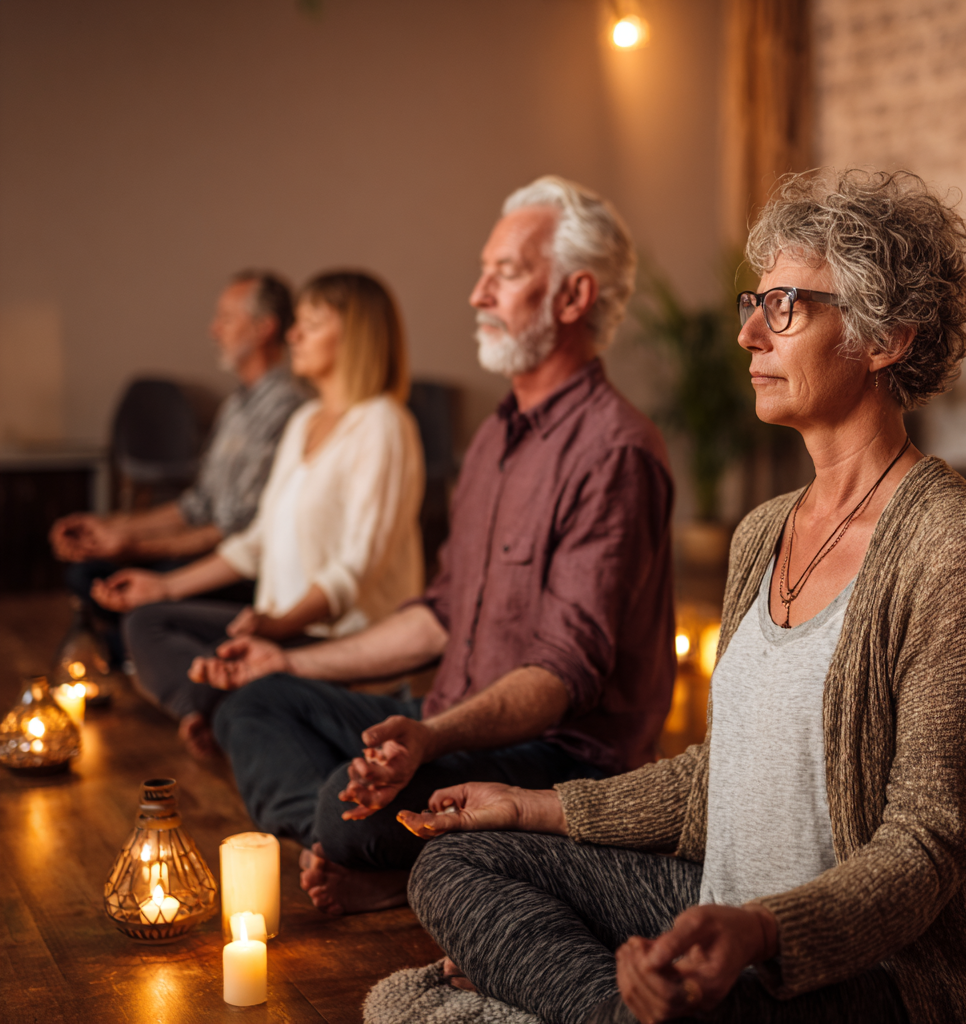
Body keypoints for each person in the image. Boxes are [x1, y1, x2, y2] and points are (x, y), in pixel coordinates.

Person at [397, 170, 966, 1024]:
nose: (750, 336)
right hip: (722, 912)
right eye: (752, 305)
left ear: (888, 336)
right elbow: (715, 776)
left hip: (875, 973)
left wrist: (762, 930)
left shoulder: (958, 546)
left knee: (710, 995)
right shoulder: (762, 531)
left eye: (788, 307)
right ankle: (633, 1009)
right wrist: (530, 807)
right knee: (457, 866)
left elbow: (929, 843)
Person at [188, 175, 676, 916]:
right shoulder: (493, 438)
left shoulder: (615, 452)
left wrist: (429, 737)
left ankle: (368, 850)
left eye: (505, 274)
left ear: (573, 299)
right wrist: (287, 657)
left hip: (558, 757)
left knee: (343, 804)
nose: (478, 294)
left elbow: (560, 679)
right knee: (254, 703)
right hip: (446, 715)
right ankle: (361, 848)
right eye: (484, 272)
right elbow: (440, 613)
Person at [93, 271, 425, 759]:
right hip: (277, 626)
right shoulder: (303, 422)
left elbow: (353, 573)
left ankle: (230, 714)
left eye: (310, 323)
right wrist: (162, 586)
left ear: (355, 335)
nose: (293, 335)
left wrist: (279, 627)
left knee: (224, 668)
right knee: (147, 621)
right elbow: (256, 542)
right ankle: (219, 712)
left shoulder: (383, 423)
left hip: (331, 639)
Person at [49, 271, 305, 666]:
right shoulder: (237, 404)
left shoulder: (285, 409)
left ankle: (138, 653)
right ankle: (129, 653)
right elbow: (197, 504)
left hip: (237, 568)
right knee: (87, 569)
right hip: (218, 546)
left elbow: (234, 532)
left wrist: (133, 548)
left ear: (263, 329)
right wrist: (112, 528)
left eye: (226, 318)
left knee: (117, 586)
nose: (213, 329)